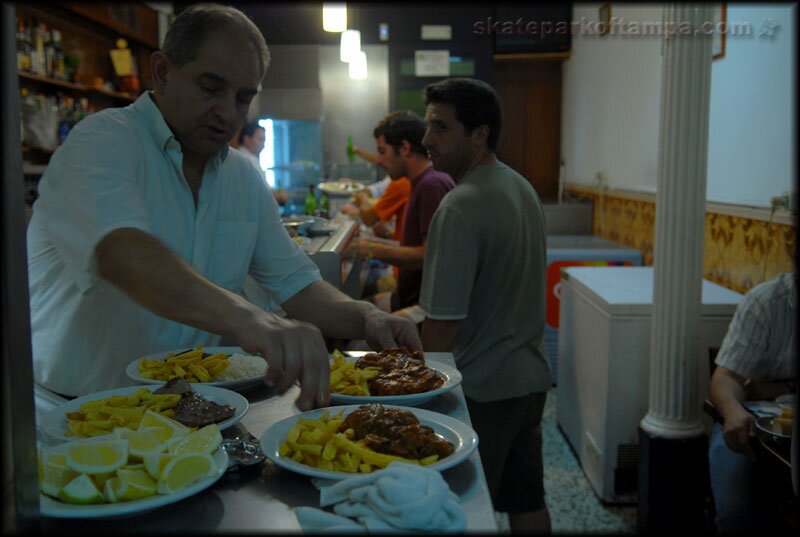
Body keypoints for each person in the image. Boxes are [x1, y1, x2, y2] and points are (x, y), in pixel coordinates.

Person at [26, 3, 421, 413]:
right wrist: (251, 318)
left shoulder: (241, 177)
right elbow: (120, 252)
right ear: (162, 71)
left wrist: (365, 317)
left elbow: (297, 285)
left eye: (243, 98)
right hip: (76, 417)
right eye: (210, 88)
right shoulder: (102, 142)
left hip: (189, 418)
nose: (228, 113)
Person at [418, 78, 552, 533]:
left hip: (482, 391)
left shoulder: (461, 205)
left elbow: (441, 330)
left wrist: (409, 383)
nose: (426, 140)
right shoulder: (520, 187)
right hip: (529, 381)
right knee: (526, 499)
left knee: (461, 511)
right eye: (427, 126)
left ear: (479, 135)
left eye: (441, 128)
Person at [708, 272, 797, 533]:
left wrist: (779, 386)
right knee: (737, 512)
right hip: (752, 423)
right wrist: (732, 411)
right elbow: (725, 378)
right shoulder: (766, 302)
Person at [345, 111, 454, 319]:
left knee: (353, 324)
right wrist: (371, 242)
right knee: (352, 311)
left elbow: (429, 256)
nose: (378, 160)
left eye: (382, 151)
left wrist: (370, 249)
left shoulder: (432, 185)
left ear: (404, 148)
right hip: (409, 294)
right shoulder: (419, 182)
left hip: (424, 305)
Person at [235, 121, 289, 205]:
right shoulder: (250, 160)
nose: (263, 145)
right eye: (260, 140)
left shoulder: (236, 155)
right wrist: (280, 196)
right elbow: (265, 193)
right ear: (247, 139)